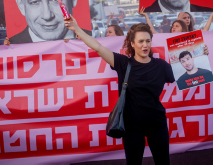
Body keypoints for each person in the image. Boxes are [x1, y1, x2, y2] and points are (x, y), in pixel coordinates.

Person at [65, 17, 174, 164]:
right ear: (132, 43)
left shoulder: (161, 66)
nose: (145, 45)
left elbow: (188, 74)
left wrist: (201, 55)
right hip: (131, 127)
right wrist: (77, 29)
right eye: (141, 41)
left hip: (157, 124)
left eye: (148, 41)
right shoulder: (123, 63)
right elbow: (98, 47)